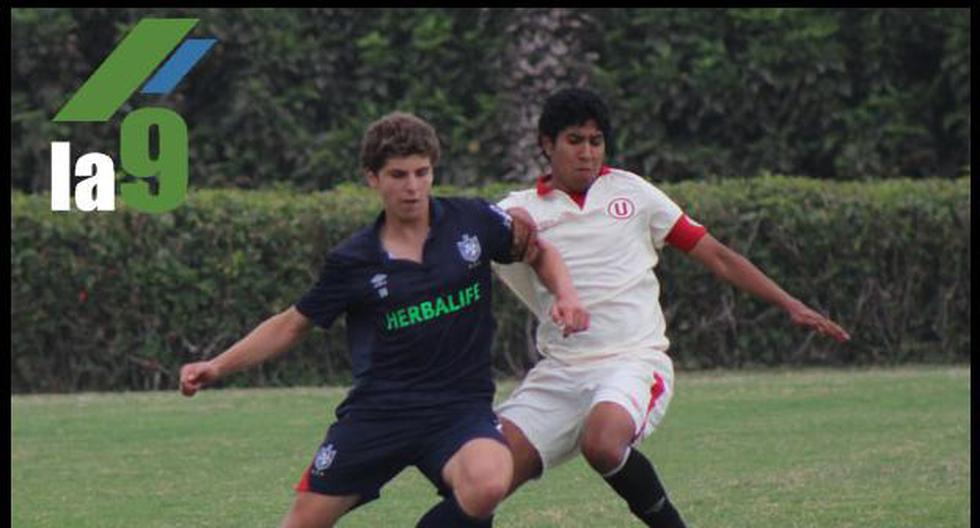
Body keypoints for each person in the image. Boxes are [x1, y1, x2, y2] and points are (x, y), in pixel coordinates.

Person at [179, 112, 589, 528]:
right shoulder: (352, 260)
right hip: (379, 414)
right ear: (373, 178)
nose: (412, 187)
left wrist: (567, 294)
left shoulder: (473, 222)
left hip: (458, 410)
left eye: (421, 172)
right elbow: (291, 323)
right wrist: (216, 366)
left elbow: (538, 251)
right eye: (398, 175)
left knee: (488, 480)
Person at [492, 87, 851, 527]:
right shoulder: (518, 211)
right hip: (560, 372)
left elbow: (716, 254)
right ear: (547, 144)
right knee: (482, 478)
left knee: (603, 444)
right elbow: (459, 247)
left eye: (595, 140)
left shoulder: (633, 193)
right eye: (574, 140)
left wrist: (791, 304)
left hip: (633, 362)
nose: (587, 152)